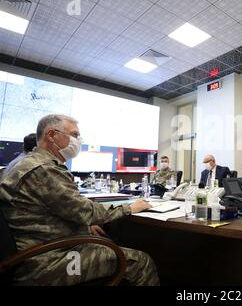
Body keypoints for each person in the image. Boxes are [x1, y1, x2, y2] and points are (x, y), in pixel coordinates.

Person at [0, 114, 159, 286]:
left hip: (37, 251)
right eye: (74, 135)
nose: (78, 141)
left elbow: (54, 210)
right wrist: (130, 208)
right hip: (49, 263)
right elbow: (84, 211)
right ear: (52, 135)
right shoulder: (44, 169)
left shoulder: (22, 164)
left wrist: (85, 226)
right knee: (141, 262)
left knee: (111, 242)